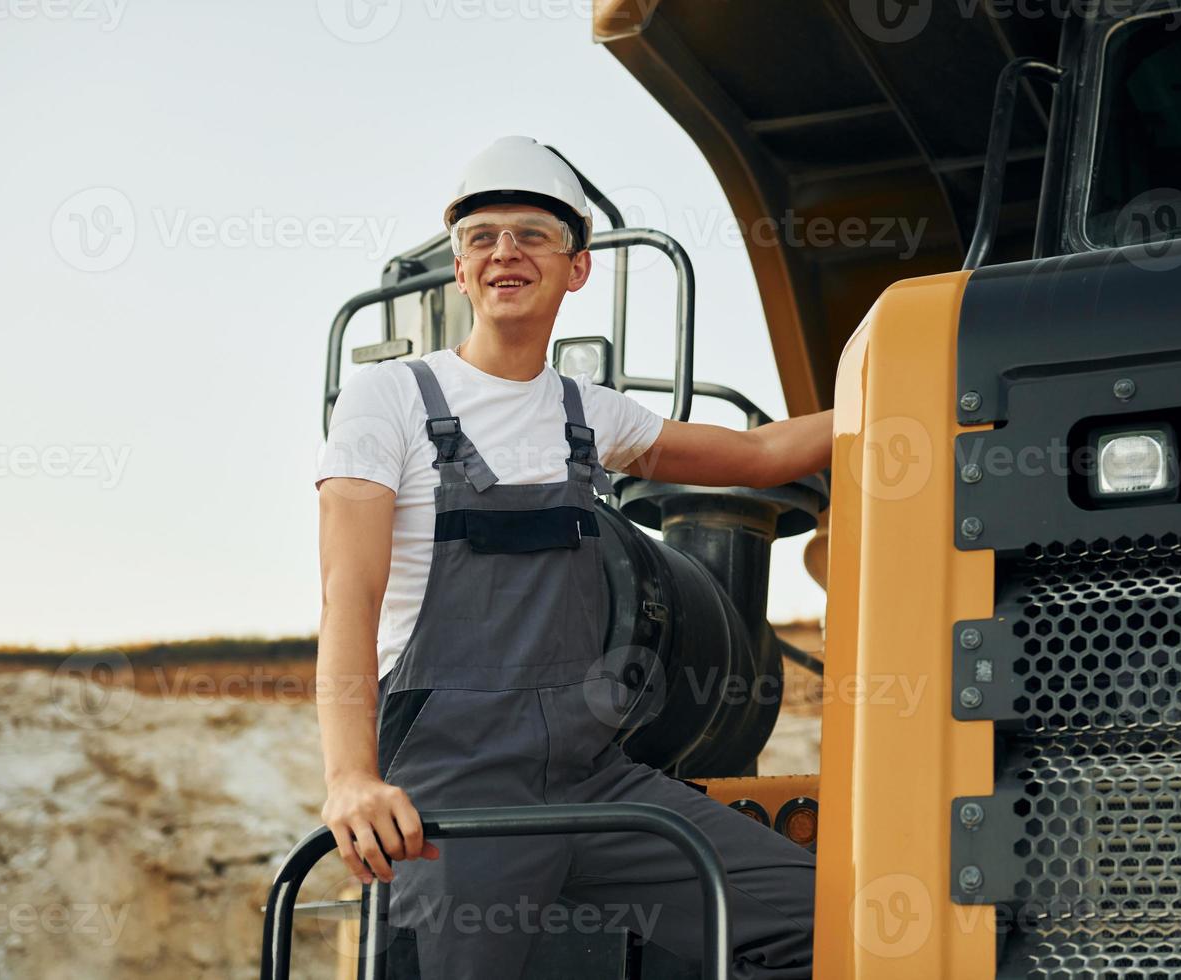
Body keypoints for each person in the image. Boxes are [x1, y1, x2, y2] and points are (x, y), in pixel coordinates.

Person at [314, 135, 834, 979]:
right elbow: (349, 597)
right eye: (481, 238)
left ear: (577, 266)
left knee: (820, 921)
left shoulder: (586, 414)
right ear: (459, 266)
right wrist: (350, 778)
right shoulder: (391, 400)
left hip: (594, 783)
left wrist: (900, 398)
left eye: (530, 235)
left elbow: (764, 458)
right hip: (456, 792)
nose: (504, 253)